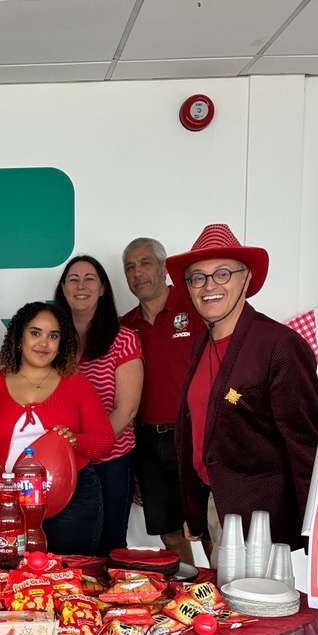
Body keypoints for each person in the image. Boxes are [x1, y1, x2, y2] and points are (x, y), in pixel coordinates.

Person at [167, 223, 318, 558]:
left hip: (261, 519)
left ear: (246, 279)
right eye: (198, 277)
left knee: (256, 611)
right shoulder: (200, 345)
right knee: (222, 609)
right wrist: (193, 509)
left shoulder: (280, 345)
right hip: (216, 507)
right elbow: (199, 432)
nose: (210, 285)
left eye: (222, 273)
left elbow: (304, 443)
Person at [0, 302, 115, 556]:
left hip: (74, 498)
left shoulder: (77, 383)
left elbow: (105, 441)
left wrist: (74, 440)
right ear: (19, 337)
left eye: (53, 336)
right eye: (35, 333)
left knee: (69, 575)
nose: (44, 343)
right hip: (9, 500)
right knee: (11, 578)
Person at [121, 238, 206, 564]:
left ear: (163, 266)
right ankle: (189, 592)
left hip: (191, 436)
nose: (137, 272)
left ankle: (221, 605)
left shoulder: (195, 308)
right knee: (168, 530)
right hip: (146, 440)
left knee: (207, 529)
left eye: (144, 263)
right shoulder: (125, 325)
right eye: (130, 267)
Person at [54, 255, 143, 556]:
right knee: (66, 543)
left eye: (89, 278)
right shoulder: (52, 341)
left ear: (103, 288)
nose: (81, 285)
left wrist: (90, 446)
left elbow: (126, 410)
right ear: (63, 288)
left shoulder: (124, 339)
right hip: (63, 461)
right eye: (73, 279)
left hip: (111, 459)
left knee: (109, 543)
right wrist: (67, 451)